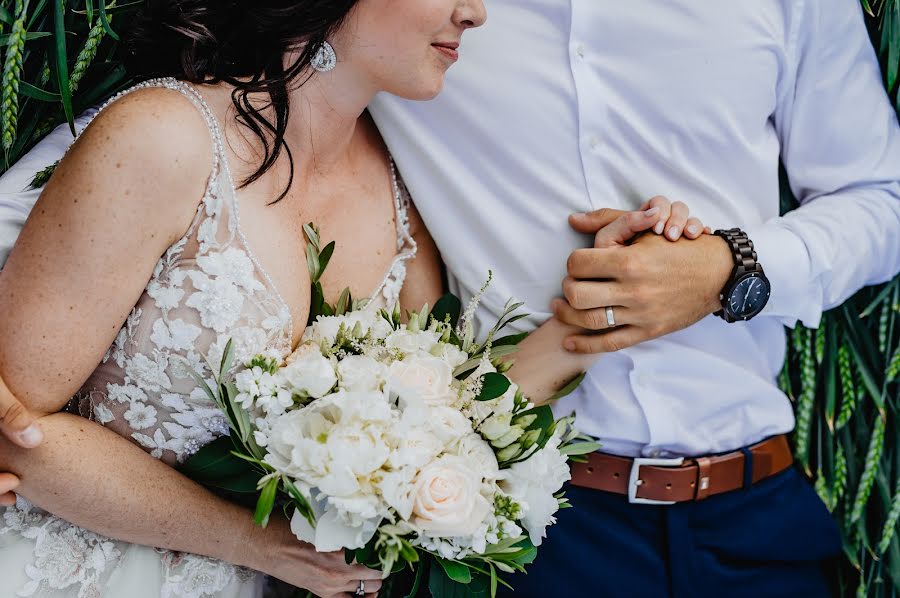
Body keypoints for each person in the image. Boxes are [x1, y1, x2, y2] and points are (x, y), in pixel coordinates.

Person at [0, 1, 707, 597]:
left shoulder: (404, 201)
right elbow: (15, 430)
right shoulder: (164, 139)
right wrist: (265, 546)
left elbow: (448, 436)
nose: (476, 11)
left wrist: (611, 286)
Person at [365, 0, 900, 596]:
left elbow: (881, 197)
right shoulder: (417, 14)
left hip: (755, 514)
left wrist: (727, 267)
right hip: (523, 526)